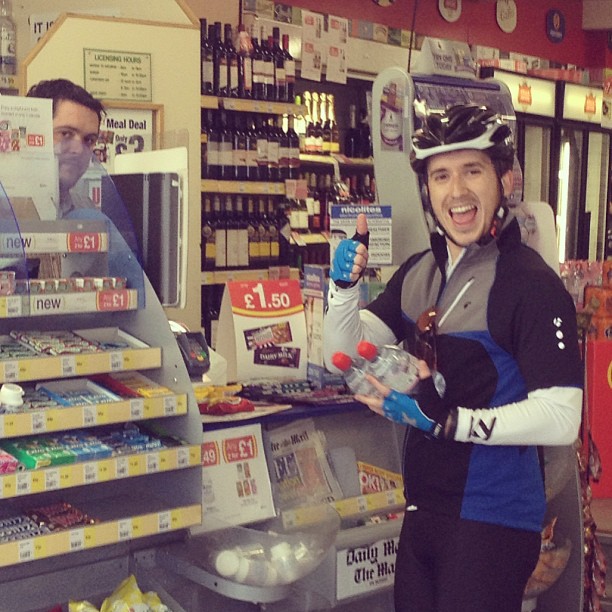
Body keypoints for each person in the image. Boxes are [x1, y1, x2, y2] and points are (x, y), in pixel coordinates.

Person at [322, 103, 583, 612]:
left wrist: (449, 422)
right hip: (425, 509)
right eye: (441, 175)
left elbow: (561, 418)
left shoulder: (529, 284)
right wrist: (342, 290)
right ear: (427, 189)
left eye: (472, 171)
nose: (457, 192)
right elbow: (345, 352)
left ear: (503, 179)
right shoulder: (421, 273)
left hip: (496, 515)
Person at [26, 78, 106, 218]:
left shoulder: (86, 209)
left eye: (89, 140)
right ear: (32, 130)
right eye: (65, 134)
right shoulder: (6, 207)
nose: (79, 150)